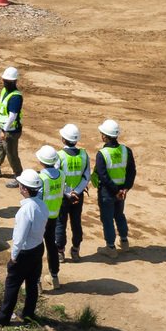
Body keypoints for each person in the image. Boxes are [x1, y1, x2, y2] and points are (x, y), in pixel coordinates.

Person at [0, 170, 49, 327]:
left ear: (26, 189)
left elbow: (19, 238)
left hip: (24, 253)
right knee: (32, 284)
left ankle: (2, 318)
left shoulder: (25, 211)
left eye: (21, 186)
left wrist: (14, 257)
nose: (19, 188)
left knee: (12, 286)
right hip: (37, 248)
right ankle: (28, 314)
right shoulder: (42, 205)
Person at [93, 119, 135, 258]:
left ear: (105, 136)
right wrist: (125, 189)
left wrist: (116, 190)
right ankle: (124, 242)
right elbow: (131, 171)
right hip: (121, 193)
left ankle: (110, 248)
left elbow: (103, 176)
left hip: (108, 193)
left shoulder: (102, 154)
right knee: (119, 215)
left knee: (107, 219)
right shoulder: (126, 151)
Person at [56, 124, 90, 262]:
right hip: (78, 196)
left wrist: (68, 192)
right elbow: (86, 176)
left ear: (63, 140)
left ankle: (60, 252)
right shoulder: (84, 154)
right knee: (76, 222)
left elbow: (57, 177)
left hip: (64, 197)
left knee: (60, 223)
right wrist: (77, 191)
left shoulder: (59, 156)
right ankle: (76, 249)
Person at [35, 145, 65, 289]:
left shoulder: (41, 178)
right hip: (54, 216)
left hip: (41, 219)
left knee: (37, 248)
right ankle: (54, 277)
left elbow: (38, 199)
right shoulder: (61, 175)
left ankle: (36, 281)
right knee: (51, 246)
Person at [0, 66, 24, 179]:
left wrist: (4, 130)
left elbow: (13, 116)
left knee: (11, 154)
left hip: (11, 131)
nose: (5, 83)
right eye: (5, 80)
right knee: (0, 147)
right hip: (4, 128)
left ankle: (19, 175)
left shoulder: (15, 97)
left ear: (14, 81)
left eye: (8, 81)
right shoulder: (4, 91)